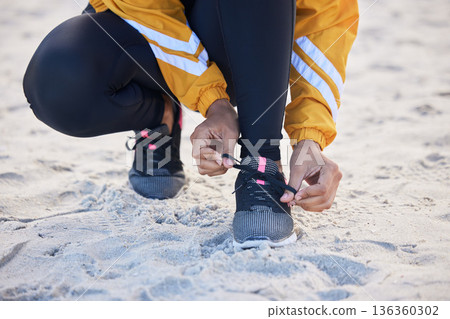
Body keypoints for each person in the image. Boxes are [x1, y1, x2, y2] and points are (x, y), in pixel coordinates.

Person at [23, 0, 358, 248]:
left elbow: (327, 12)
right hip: (145, 23)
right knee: (59, 80)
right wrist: (214, 102)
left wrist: (309, 137)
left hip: (252, 35)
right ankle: (158, 115)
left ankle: (262, 162)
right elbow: (143, 8)